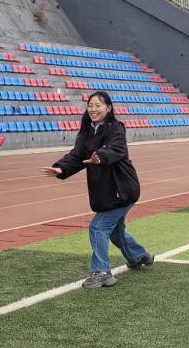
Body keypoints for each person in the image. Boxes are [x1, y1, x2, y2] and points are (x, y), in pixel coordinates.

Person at [42, 90, 153, 288]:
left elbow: (116, 149)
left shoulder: (116, 128)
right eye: (90, 106)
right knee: (115, 231)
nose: (92, 109)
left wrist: (100, 156)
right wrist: (61, 168)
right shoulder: (86, 131)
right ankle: (139, 256)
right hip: (105, 191)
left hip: (122, 189)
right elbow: (77, 156)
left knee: (98, 227)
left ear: (108, 108)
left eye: (97, 105)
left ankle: (102, 272)